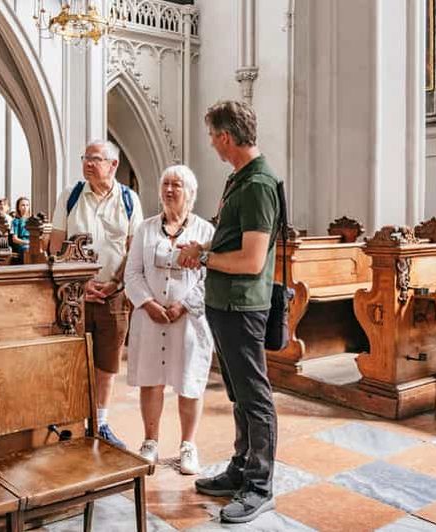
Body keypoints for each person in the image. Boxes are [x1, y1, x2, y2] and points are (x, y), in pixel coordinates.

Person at [178, 100, 280, 523]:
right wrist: (205, 248)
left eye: (212, 135)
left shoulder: (258, 184)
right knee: (239, 392)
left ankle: (260, 485)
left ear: (225, 136)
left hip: (242, 306)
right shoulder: (239, 179)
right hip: (225, 303)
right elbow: (231, 241)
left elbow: (252, 261)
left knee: (254, 396)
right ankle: (241, 467)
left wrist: (203, 260)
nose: (211, 143)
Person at [49, 139, 144, 449]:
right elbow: (55, 245)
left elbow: (135, 250)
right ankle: (71, 423)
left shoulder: (130, 200)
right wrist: (80, 282)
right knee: (72, 360)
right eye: (85, 158)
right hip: (72, 295)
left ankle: (100, 422)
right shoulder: (71, 196)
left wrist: (116, 283)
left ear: (113, 165)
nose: (88, 163)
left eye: (95, 159)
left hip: (113, 295)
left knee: (107, 361)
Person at [124, 165, 215, 475]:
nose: (169, 190)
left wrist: (183, 305)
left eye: (177, 185)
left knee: (188, 381)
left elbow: (210, 277)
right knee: (151, 380)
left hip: (188, 321)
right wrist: (148, 303)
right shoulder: (146, 229)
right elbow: (132, 272)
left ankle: (188, 446)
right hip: (150, 319)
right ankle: (150, 441)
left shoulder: (204, 231)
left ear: (190, 193)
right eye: (165, 184)